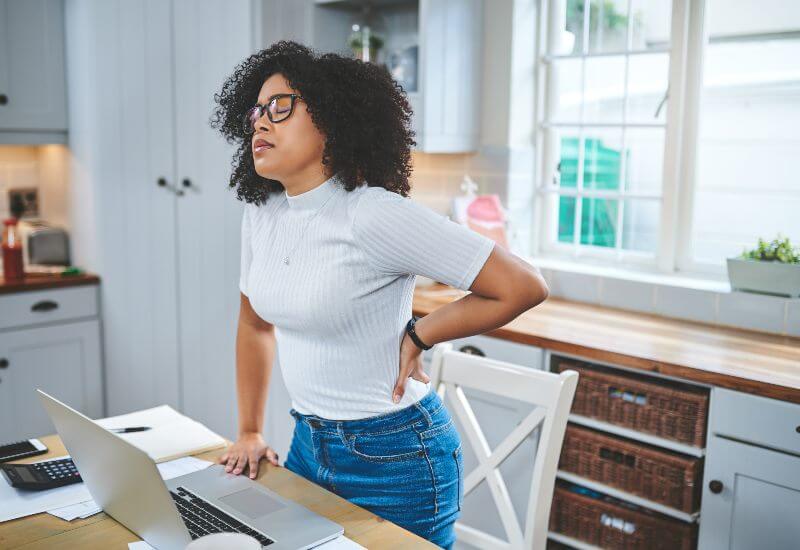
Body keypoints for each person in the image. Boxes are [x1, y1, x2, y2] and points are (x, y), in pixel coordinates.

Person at [209, 40, 549, 549]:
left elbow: (522, 286)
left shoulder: (373, 214)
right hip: (308, 445)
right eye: (256, 110)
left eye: (282, 107)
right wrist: (251, 430)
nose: (260, 121)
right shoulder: (263, 214)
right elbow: (255, 324)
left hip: (398, 459)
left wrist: (422, 331)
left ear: (334, 121)